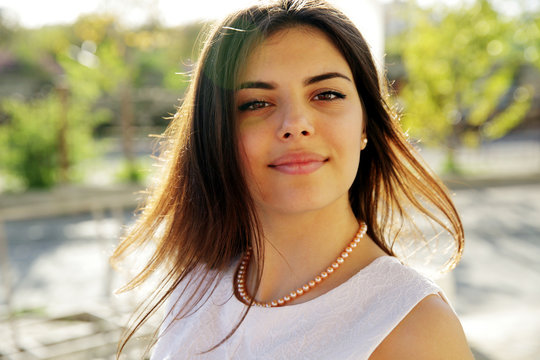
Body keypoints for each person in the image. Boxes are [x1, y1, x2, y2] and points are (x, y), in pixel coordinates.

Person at [112, 0, 474, 358]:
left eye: (327, 94)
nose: (296, 124)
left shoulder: (414, 327)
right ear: (216, 134)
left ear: (365, 124)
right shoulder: (197, 283)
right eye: (256, 103)